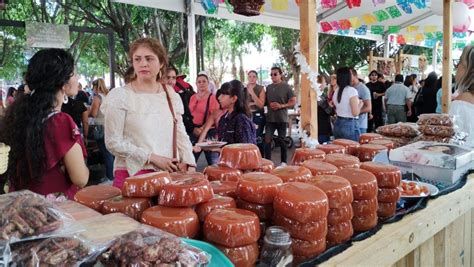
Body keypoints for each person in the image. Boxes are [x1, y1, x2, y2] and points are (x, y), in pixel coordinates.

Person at [102, 37, 195, 189]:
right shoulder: (120, 96)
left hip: (167, 175)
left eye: (149, 59)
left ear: (161, 63)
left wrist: (190, 163)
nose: (143, 64)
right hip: (132, 175)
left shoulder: (170, 94)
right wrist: (152, 158)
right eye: (137, 59)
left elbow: (180, 133)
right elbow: (113, 142)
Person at [0, 48, 89, 199]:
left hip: (22, 207)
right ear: (63, 82)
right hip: (54, 212)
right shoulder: (60, 122)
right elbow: (80, 179)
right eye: (75, 73)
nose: (78, 77)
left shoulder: (17, 117)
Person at [195, 81, 256, 152]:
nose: (219, 98)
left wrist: (219, 150)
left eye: (223, 95)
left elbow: (246, 151)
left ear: (233, 99)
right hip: (226, 161)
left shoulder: (241, 120)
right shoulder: (223, 119)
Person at [264, 67, 296, 166]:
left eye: (275, 74)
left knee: (282, 140)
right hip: (270, 118)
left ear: (280, 75)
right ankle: (267, 161)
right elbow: (264, 102)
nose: (273, 76)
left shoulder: (286, 87)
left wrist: (281, 106)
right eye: (271, 74)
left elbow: (293, 101)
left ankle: (284, 162)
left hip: (282, 118)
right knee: (267, 139)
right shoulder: (268, 87)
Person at [189, 72, 220, 165]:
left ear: (208, 83)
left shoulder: (212, 98)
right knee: (191, 160)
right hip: (194, 131)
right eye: (199, 82)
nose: (201, 83)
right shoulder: (192, 97)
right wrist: (193, 128)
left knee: (213, 161)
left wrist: (202, 129)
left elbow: (214, 117)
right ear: (196, 84)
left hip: (209, 131)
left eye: (204, 81)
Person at [89, 78, 114, 181]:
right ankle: (110, 175)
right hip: (109, 126)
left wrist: (87, 111)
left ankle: (109, 177)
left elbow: (94, 114)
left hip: (100, 127)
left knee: (105, 153)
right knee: (110, 153)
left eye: (93, 87)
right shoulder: (108, 96)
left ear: (96, 87)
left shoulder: (97, 97)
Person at [450, 45, 474, 146]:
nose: (456, 66)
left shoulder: (463, 101)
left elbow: (454, 145)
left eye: (459, 62)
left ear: (467, 68)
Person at [332, 67, 363, 141]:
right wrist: (360, 104)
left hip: (338, 123)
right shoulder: (352, 91)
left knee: (340, 149)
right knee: (352, 150)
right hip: (349, 124)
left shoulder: (336, 91)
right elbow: (355, 113)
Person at [166, 67, 195, 137]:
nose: (171, 81)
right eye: (168, 77)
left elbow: (187, 117)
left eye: (173, 78)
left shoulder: (180, 96)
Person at [246, 70, 266, 155]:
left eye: (254, 76)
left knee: (258, 138)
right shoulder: (244, 89)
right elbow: (243, 104)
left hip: (257, 115)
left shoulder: (260, 88)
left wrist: (252, 93)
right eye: (250, 76)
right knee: (247, 138)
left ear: (256, 78)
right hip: (247, 115)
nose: (252, 78)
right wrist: (253, 103)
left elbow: (261, 105)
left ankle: (261, 159)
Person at [349, 68, 371, 134]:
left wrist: (356, 112)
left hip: (360, 125)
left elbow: (368, 107)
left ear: (355, 76)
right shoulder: (348, 88)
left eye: (349, 75)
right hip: (350, 123)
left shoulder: (363, 88)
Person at [317, 75, 333, 143]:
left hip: (321, 127)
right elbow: (329, 111)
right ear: (319, 84)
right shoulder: (320, 97)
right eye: (324, 82)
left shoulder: (319, 95)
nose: (326, 83)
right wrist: (331, 106)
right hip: (322, 128)